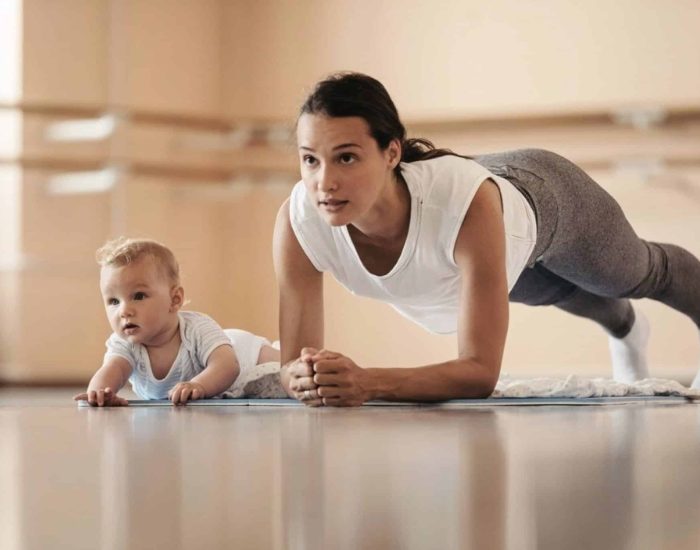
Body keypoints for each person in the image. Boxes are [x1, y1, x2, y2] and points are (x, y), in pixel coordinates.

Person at [272, 71, 700, 407]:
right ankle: (627, 330)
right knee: (554, 290)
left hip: (543, 194)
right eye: (310, 160)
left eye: (346, 157)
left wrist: (366, 382)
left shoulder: (463, 206)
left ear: (392, 153)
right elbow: (292, 363)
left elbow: (479, 372)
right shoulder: (299, 222)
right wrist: (303, 377)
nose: (324, 182)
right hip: (478, 228)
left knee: (631, 274)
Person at [74, 237, 279, 406]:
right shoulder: (125, 344)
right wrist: (100, 393)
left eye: (138, 296)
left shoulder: (196, 328)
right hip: (229, 393)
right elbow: (112, 371)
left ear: (175, 299)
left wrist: (198, 385)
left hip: (243, 356)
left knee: (288, 366)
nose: (124, 311)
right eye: (113, 301)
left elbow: (227, 365)